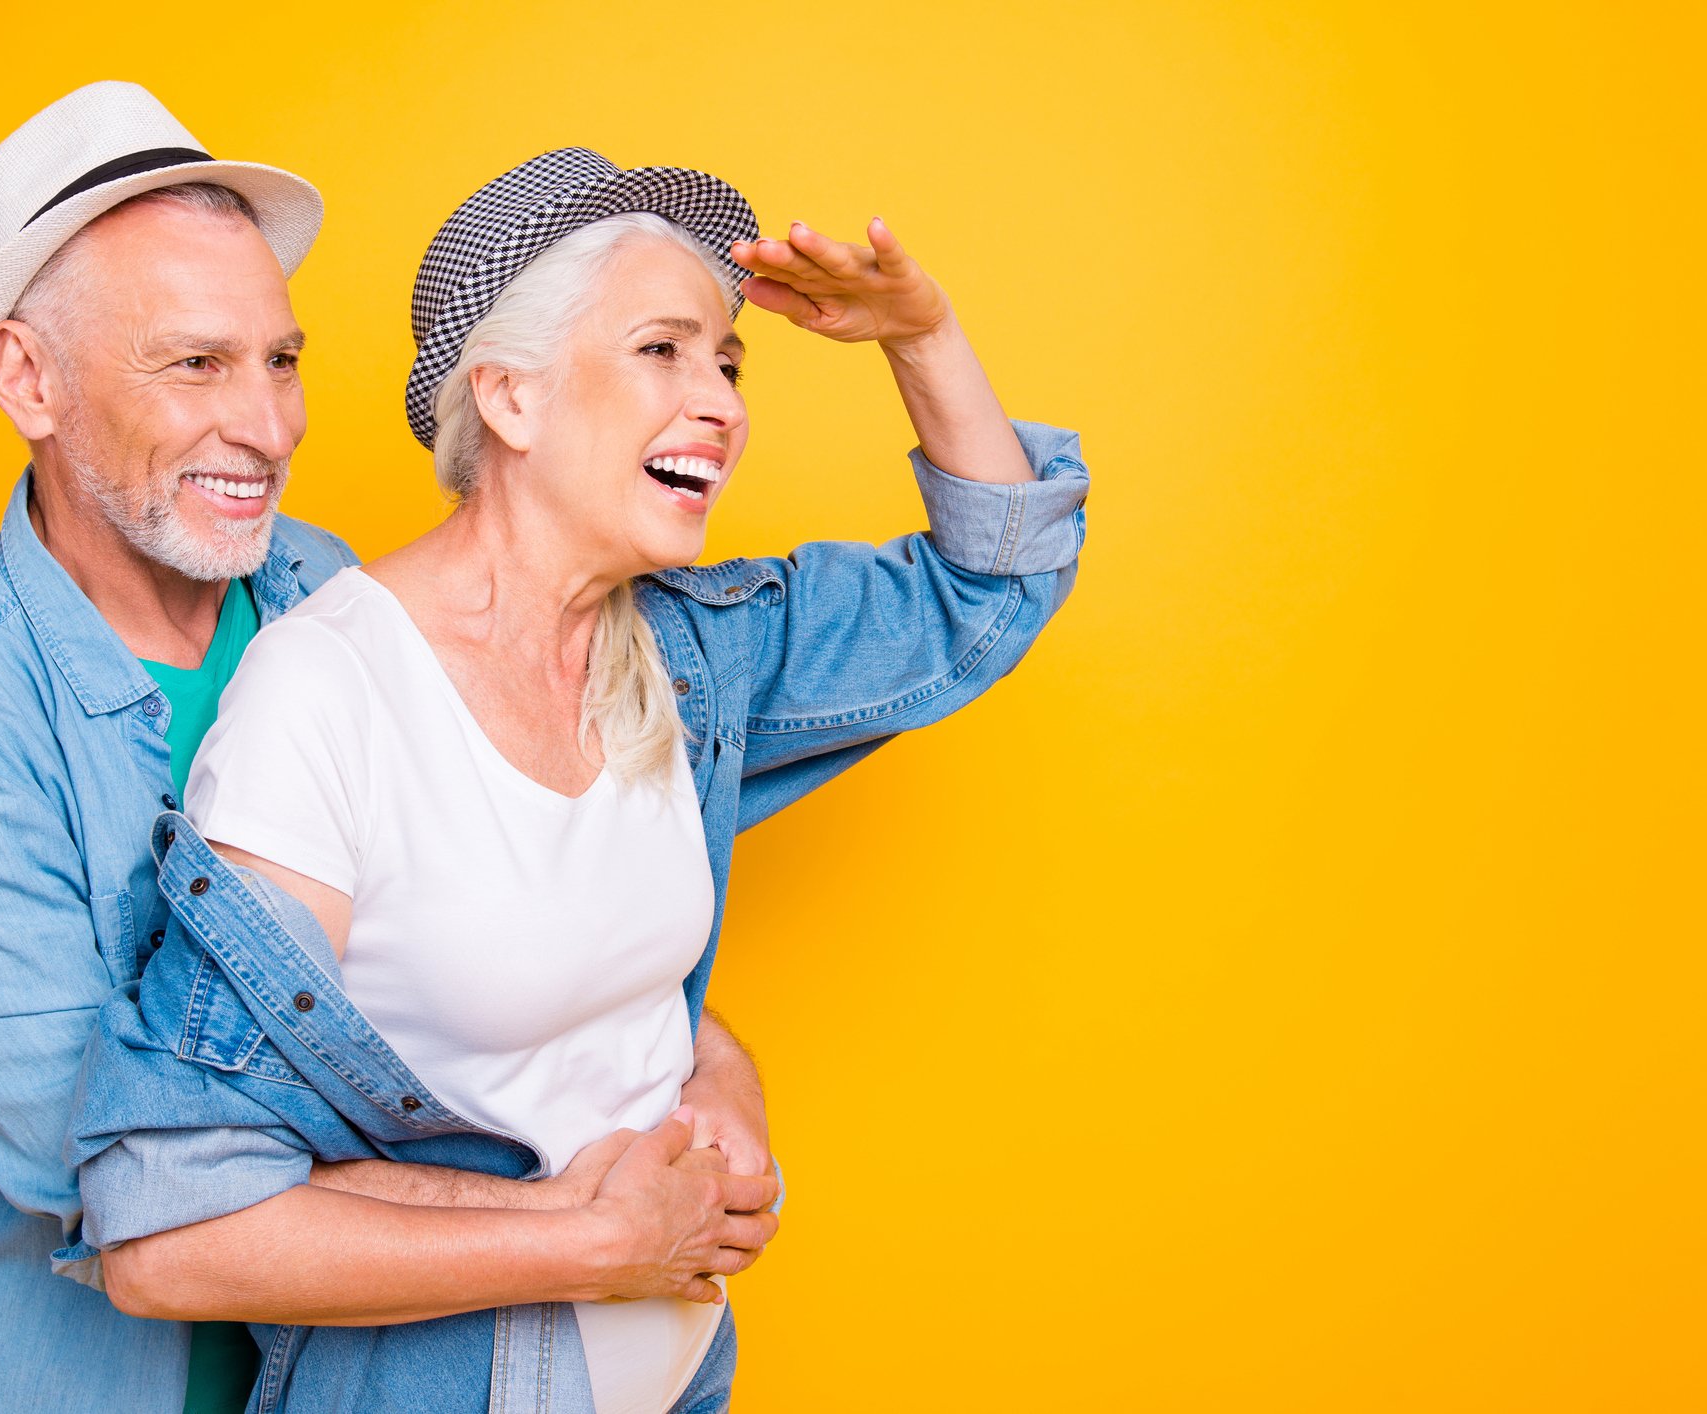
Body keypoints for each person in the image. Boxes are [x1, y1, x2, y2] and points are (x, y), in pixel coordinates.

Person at [69, 148, 1092, 1412]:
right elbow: (168, 1227)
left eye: (727, 360)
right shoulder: (328, 694)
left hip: (677, 1372)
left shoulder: (684, 651)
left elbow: (986, 587)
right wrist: (596, 1240)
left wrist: (922, 336)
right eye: (662, 350)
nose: (721, 401)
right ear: (507, 398)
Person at [0, 88, 776, 1414]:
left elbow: (520, 924)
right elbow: (150, 1198)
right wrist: (587, 1215)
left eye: (279, 360)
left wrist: (703, 1076)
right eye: (194, 364)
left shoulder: (334, 597)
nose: (271, 429)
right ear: (27, 379)